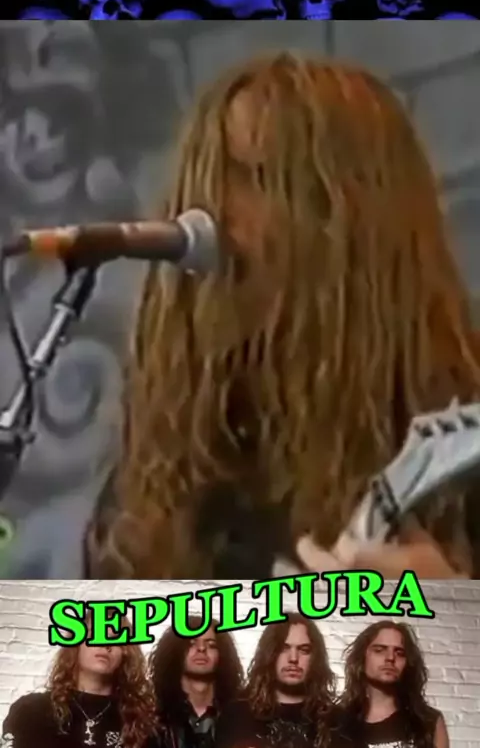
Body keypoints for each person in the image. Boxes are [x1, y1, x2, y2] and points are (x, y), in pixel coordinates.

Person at [84, 51, 480, 578]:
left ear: (351, 220)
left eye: (254, 178)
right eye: (205, 181)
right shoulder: (161, 478)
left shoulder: (461, 439)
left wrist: (449, 613)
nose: (211, 218)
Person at [1, 610, 158, 748]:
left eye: (116, 639)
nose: (105, 644)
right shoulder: (30, 711)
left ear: (125, 653)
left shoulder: (141, 724)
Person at [216, 612, 335, 748]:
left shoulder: (336, 721)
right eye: (283, 648)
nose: (293, 658)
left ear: (315, 658)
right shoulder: (236, 715)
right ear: (270, 653)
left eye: (304, 650)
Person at [331, 620, 448, 748]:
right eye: (379, 650)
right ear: (362, 658)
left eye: (400, 653)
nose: (390, 658)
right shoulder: (335, 722)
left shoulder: (428, 722)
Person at [148, 616, 243, 748]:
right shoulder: (152, 714)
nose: (201, 648)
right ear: (175, 651)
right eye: (191, 643)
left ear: (222, 654)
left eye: (211, 645)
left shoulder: (240, 713)